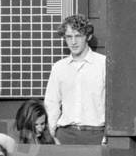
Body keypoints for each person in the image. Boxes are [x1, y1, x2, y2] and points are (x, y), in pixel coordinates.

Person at [43, 15, 106, 145]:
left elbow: (113, 102)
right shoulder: (59, 67)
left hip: (96, 134)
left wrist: (107, 135)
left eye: (78, 36)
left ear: (88, 37)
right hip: (65, 135)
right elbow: (52, 101)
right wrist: (53, 133)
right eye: (68, 37)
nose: (73, 42)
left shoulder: (103, 64)